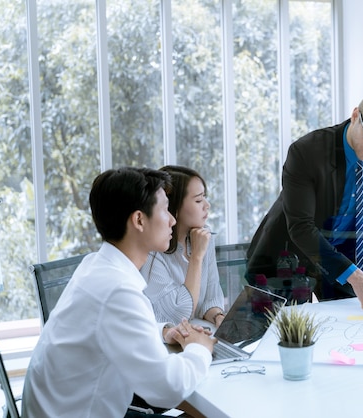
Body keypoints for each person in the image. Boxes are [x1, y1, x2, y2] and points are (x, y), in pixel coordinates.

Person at [22, 167, 217, 418]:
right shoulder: (118, 291)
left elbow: (108, 327)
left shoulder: (97, 265)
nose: (172, 220)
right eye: (165, 210)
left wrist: (164, 332)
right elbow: (166, 389)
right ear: (139, 220)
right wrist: (200, 348)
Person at [246, 86, 363, 315]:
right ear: (355, 116)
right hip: (287, 256)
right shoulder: (306, 151)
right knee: (281, 340)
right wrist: (355, 276)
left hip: (340, 254)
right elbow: (301, 227)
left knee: (350, 331)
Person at [141, 165, 226, 328]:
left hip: (196, 333)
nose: (206, 205)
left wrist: (218, 316)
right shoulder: (153, 251)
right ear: (173, 207)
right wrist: (196, 257)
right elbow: (178, 315)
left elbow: (210, 299)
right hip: (166, 343)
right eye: (198, 200)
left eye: (204, 197)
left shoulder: (202, 236)